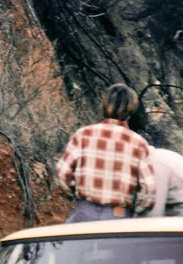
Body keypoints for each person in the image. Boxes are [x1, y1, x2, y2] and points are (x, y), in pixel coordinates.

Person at [54, 83, 155, 222]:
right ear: (131, 109)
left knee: (65, 242)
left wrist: (75, 194)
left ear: (104, 104)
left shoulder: (83, 135)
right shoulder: (139, 144)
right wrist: (134, 212)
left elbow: (63, 172)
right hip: (118, 217)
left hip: (84, 212)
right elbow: (148, 190)